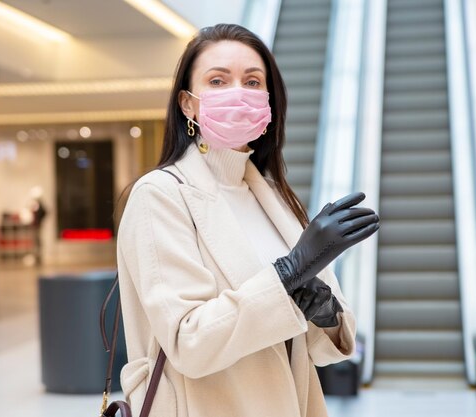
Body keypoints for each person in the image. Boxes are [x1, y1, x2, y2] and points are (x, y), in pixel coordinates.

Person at [116, 24, 380, 417]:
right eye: (217, 80)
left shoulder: (275, 199)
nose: (237, 92)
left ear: (269, 103)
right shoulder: (160, 195)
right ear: (188, 104)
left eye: (252, 81)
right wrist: (287, 274)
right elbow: (189, 342)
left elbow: (324, 351)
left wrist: (323, 315)